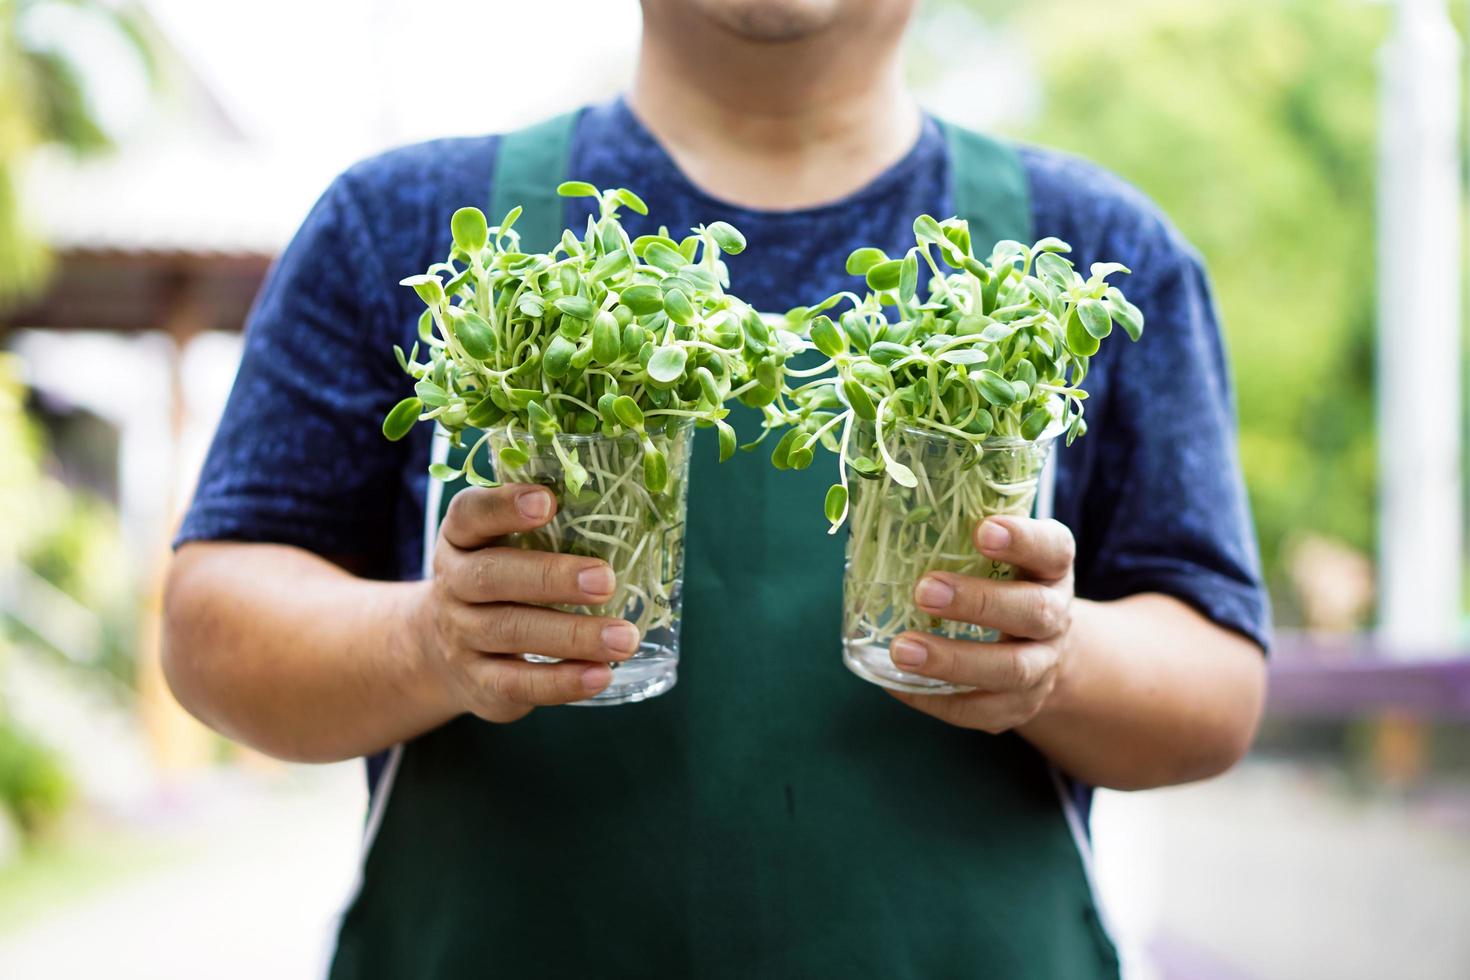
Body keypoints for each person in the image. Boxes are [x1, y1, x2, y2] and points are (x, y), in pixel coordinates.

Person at [162, 1, 1269, 977]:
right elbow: (212, 623)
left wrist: (1057, 654)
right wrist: (428, 638)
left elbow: (1216, 684)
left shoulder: (1092, 260)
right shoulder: (398, 226)